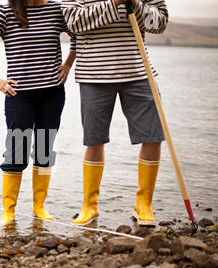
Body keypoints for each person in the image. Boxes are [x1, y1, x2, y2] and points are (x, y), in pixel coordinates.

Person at [61, 0, 168, 226]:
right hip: (93, 75)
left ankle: (144, 205)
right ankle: (89, 206)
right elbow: (74, 22)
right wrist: (116, 2)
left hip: (139, 72)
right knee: (94, 140)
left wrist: (136, 4)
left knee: (153, 135)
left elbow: (159, 23)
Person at [0, 0, 77, 225]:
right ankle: (9, 211)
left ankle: (39, 207)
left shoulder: (57, 9)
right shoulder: (8, 11)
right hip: (19, 97)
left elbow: (79, 35)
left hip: (52, 94)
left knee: (44, 150)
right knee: (16, 152)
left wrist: (68, 64)